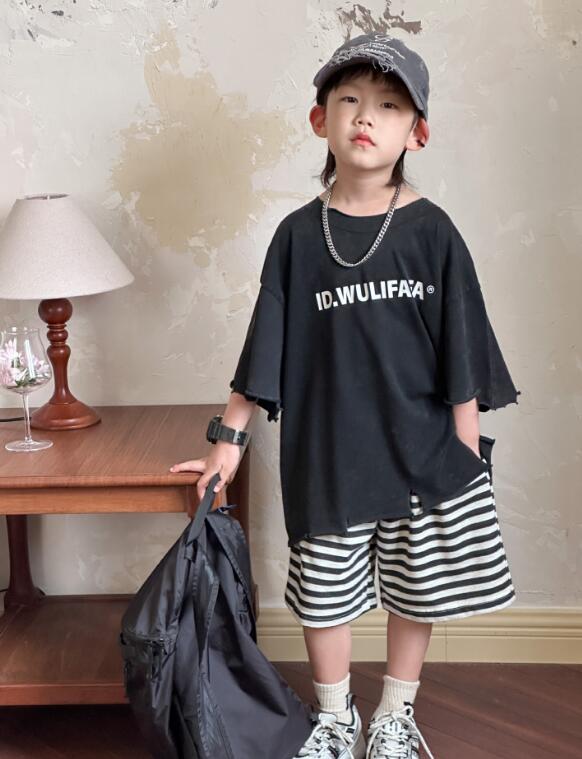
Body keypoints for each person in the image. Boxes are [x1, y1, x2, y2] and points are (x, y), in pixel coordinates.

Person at [170, 32, 521, 759]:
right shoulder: (298, 236)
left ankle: (395, 715)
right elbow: (264, 344)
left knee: (417, 588)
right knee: (324, 593)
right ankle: (335, 719)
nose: (366, 116)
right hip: (328, 451)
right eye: (351, 100)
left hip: (424, 449)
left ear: (417, 133)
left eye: (389, 106)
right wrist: (227, 444)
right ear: (319, 119)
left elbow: (462, 345)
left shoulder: (433, 232)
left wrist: (466, 450)